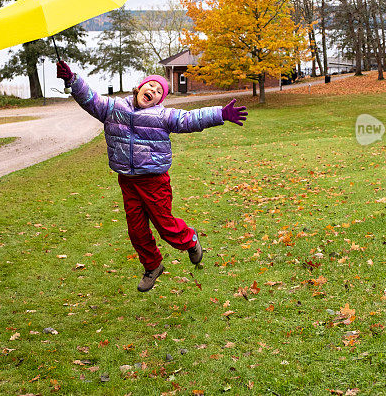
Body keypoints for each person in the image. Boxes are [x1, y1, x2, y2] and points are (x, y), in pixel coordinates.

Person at [56, 61, 247, 292]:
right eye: (151, 87)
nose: (154, 92)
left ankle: (190, 240)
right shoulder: (113, 108)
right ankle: (152, 266)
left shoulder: (163, 116)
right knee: (136, 230)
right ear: (139, 88)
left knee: (165, 227)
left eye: (159, 92)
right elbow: (90, 98)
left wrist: (220, 114)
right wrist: (72, 80)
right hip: (127, 180)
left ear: (160, 100)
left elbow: (190, 119)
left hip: (154, 180)